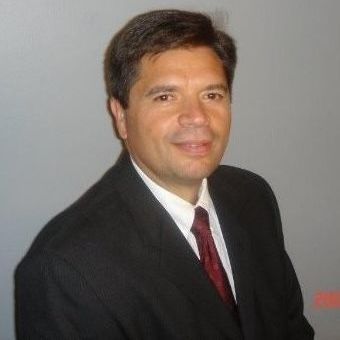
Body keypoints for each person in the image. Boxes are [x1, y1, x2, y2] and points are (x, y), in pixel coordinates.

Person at [15, 9, 314, 339]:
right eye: (165, 97)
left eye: (212, 94)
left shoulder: (253, 197)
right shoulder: (67, 270)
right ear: (120, 116)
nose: (196, 117)